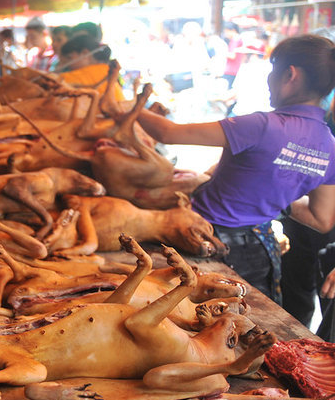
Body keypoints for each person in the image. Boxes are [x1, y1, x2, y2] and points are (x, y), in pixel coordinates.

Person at [134, 34, 335, 305]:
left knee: (176, 315)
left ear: (290, 75)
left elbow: (167, 132)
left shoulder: (260, 125)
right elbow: (322, 219)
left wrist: (123, 106)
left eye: (273, 71)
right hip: (259, 253)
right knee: (238, 328)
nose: (268, 81)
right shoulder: (330, 145)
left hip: (201, 240)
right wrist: (276, 199)